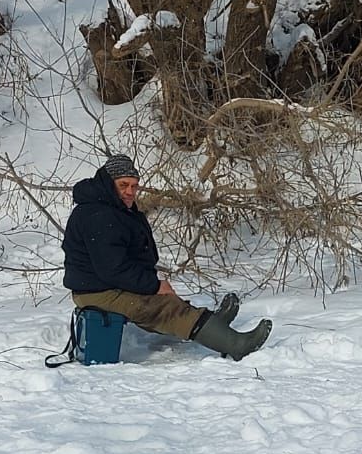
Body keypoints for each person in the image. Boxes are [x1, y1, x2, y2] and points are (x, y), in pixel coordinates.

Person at [61, 154, 272, 361]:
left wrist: (151, 283)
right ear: (108, 182)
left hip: (105, 284)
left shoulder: (112, 208)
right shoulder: (98, 215)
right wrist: (153, 285)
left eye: (134, 186)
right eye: (123, 185)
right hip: (97, 292)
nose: (130, 192)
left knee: (163, 299)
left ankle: (210, 326)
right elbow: (112, 268)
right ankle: (235, 345)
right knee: (163, 307)